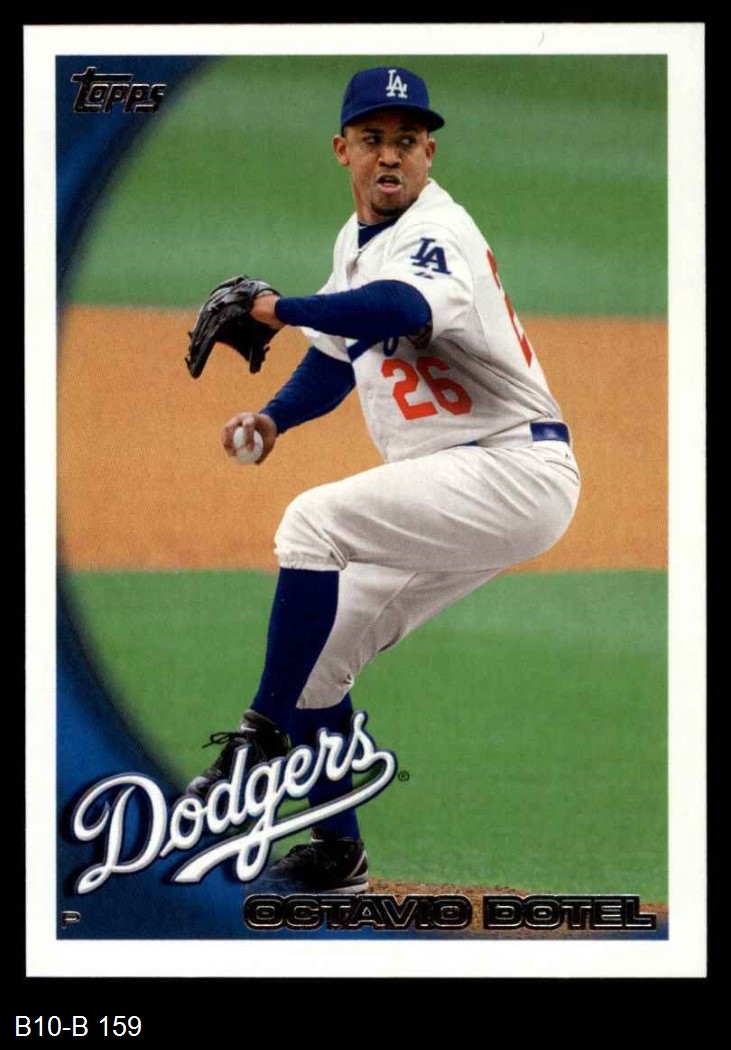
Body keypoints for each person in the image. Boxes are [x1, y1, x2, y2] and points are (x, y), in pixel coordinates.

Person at [186, 66, 581, 893]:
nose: (390, 155)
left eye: (407, 140)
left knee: (311, 522)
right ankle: (339, 854)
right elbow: (337, 357)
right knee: (319, 662)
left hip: (511, 468)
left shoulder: (439, 231)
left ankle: (258, 741)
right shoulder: (356, 240)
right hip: (461, 485)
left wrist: (276, 307)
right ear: (343, 150)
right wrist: (273, 418)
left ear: (429, 154)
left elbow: (397, 309)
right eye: (373, 139)